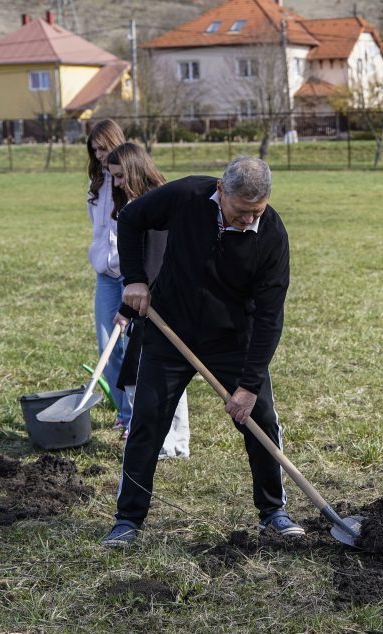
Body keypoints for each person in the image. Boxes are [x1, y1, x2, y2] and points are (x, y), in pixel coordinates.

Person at [102, 156, 301, 548]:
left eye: (256, 212)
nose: (248, 220)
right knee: (147, 420)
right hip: (170, 330)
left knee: (260, 418)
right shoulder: (188, 195)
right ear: (221, 192)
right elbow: (130, 219)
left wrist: (247, 386)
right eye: (242, 212)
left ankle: (273, 511)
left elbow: (269, 318)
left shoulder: (272, 235)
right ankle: (128, 519)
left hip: (233, 339)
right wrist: (136, 279)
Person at [107, 143, 190, 460]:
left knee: (166, 375)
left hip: (165, 302)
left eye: (119, 176)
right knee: (152, 374)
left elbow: (154, 262)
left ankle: (174, 444)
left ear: (134, 170)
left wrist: (128, 309)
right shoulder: (139, 202)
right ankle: (167, 443)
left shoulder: (157, 203)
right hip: (150, 301)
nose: (115, 183)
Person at [85, 119, 131, 434]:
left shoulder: (128, 179)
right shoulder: (97, 183)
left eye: (104, 147)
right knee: (107, 346)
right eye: (95, 150)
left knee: (130, 346)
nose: (100, 155)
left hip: (131, 277)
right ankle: (124, 413)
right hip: (106, 276)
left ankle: (136, 415)